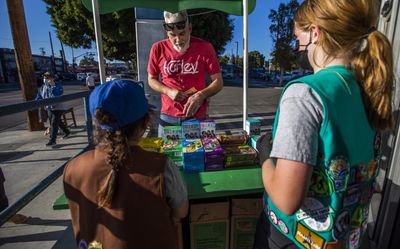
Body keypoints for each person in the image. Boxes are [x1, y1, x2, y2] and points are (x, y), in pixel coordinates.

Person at [254, 0, 393, 248]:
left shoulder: (304, 93)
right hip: (346, 236)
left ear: (315, 33)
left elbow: (287, 199)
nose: (298, 48)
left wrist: (264, 153)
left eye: (298, 39)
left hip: (294, 237)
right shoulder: (368, 88)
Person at [63, 79, 188, 249]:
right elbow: (181, 211)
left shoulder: (73, 168)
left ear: (98, 122)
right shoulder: (161, 165)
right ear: (145, 122)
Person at [147, 10, 223, 137]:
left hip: (196, 117)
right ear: (167, 32)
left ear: (190, 28)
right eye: (172, 35)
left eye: (182, 34)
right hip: (168, 117)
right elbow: (151, 79)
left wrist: (201, 95)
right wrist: (168, 91)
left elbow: (218, 82)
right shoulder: (158, 48)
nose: (178, 40)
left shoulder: (205, 47)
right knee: (167, 156)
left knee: (196, 156)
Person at [36, 72, 70, 147]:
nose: (45, 79)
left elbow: (56, 94)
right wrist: (36, 102)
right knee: (57, 121)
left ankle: (52, 140)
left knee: (53, 123)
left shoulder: (57, 85)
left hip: (58, 107)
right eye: (44, 78)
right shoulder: (43, 87)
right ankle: (66, 132)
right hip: (48, 107)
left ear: (53, 78)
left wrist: (53, 86)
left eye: (47, 78)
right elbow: (39, 96)